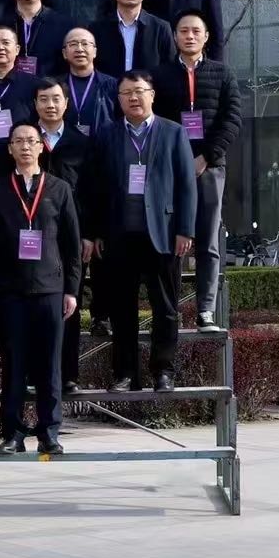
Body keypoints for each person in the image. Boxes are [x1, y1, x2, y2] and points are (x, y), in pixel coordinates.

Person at [97, 71, 197, 389]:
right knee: (121, 310)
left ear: (152, 95)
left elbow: (186, 185)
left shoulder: (173, 132)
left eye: (139, 91)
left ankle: (163, 371)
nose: (133, 98)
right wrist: (97, 231)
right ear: (119, 99)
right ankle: (126, 373)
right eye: (126, 93)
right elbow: (96, 188)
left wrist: (185, 229)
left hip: (163, 235)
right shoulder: (107, 134)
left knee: (165, 308)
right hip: (120, 235)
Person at [0, 125, 82, 455]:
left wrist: (71, 290)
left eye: (31, 141)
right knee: (13, 364)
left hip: (50, 289)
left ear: (41, 147)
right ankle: (13, 433)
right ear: (10, 149)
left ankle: (49, 432)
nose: (25, 147)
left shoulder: (59, 188)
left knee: (49, 365)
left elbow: (72, 245)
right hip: (10, 290)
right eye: (18, 141)